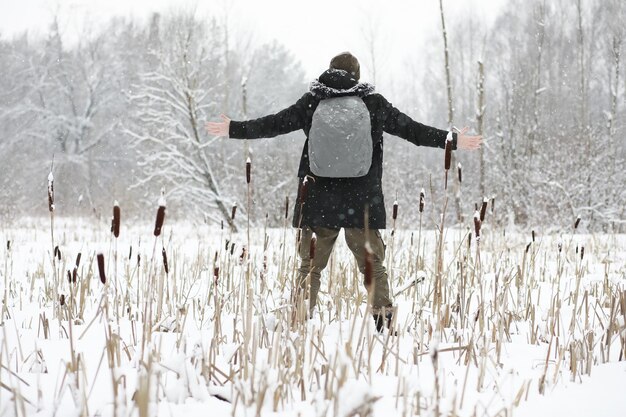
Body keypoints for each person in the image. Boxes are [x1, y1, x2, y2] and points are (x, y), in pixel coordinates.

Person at [206, 52, 482, 332]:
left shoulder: (312, 102)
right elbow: (413, 131)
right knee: (373, 266)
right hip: (362, 201)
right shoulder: (373, 103)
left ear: (329, 70)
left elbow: (273, 124)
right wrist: (452, 140)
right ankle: (384, 326)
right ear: (358, 76)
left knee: (310, 267)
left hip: (317, 199)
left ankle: (299, 323)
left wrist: (233, 129)